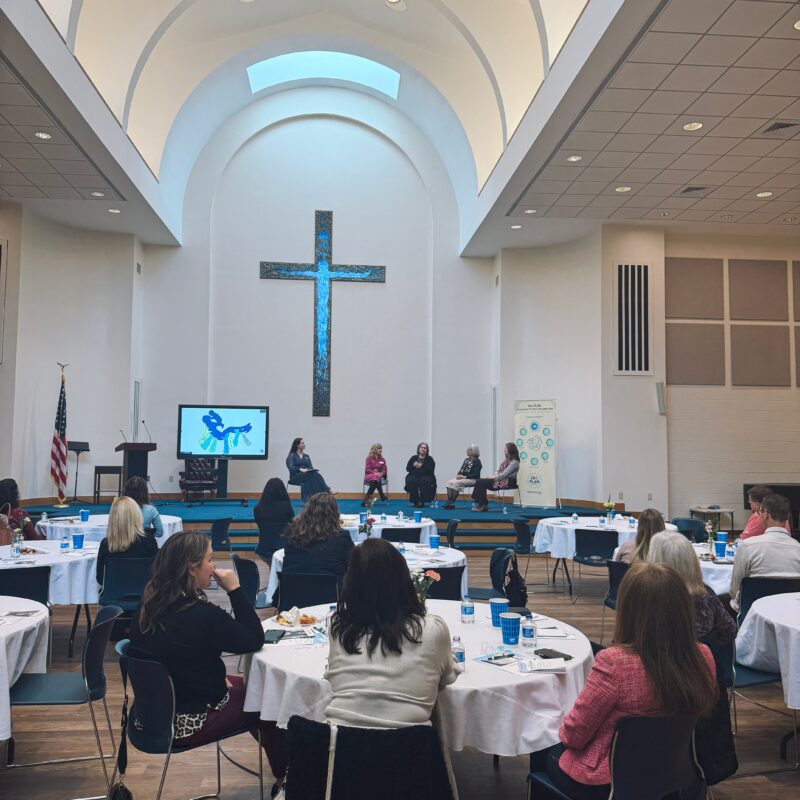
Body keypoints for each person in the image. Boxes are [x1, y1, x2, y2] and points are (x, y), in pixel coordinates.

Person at [540, 562, 716, 799]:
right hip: (674, 774)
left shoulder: (615, 663)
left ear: (628, 610)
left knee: (542, 746)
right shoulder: (703, 655)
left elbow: (573, 736)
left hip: (608, 783)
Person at [129, 532, 287, 794]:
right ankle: (286, 776)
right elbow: (253, 639)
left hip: (151, 715)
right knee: (267, 697)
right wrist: (235, 590)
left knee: (255, 684)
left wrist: (215, 680)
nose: (214, 568)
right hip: (189, 719)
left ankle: (284, 759)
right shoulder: (201, 615)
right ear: (192, 569)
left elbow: (177, 662)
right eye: (210, 560)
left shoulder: (147, 606)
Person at [326, 537, 460, 728]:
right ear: (404, 580)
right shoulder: (432, 629)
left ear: (351, 583)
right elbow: (446, 678)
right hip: (411, 751)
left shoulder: (338, 627)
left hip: (341, 747)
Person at [648, 531, 736, 646]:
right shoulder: (706, 595)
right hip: (701, 661)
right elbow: (730, 630)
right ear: (691, 560)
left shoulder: (644, 599)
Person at [729, 492, 800, 614]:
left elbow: (734, 590)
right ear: (787, 515)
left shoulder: (747, 546)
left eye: (759, 512)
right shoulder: (798, 548)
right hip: (788, 614)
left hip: (751, 615)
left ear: (766, 514)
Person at [282, 492, 353, 583]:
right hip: (331, 593)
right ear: (334, 513)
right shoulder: (341, 537)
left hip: (293, 590)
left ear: (306, 510)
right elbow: (353, 563)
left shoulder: (292, 532)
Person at [96, 495, 158, 585]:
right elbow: (155, 574)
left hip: (112, 596)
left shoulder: (106, 544)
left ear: (113, 518)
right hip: (145, 595)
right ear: (137, 516)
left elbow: (100, 578)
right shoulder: (149, 541)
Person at [253, 478, 295, 561]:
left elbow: (260, 526)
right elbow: (293, 523)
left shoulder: (258, 508)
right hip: (283, 550)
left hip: (264, 549)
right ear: (282, 491)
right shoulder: (286, 506)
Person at [470, 443, 520, 512]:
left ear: (510, 450)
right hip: (500, 480)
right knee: (479, 481)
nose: (504, 450)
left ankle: (483, 505)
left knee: (481, 482)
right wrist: (493, 476)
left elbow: (505, 474)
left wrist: (494, 477)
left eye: (505, 448)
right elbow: (499, 471)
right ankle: (483, 504)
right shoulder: (506, 460)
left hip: (509, 482)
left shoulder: (515, 462)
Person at [405, 442, 437, 508]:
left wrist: (422, 465)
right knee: (411, 481)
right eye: (421, 447)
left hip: (426, 475)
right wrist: (413, 465)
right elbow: (408, 469)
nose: (423, 449)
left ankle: (422, 501)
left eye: (425, 448)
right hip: (414, 475)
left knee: (424, 481)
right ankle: (415, 500)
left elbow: (431, 470)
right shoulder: (413, 458)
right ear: (419, 449)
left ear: (427, 450)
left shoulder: (429, 459)